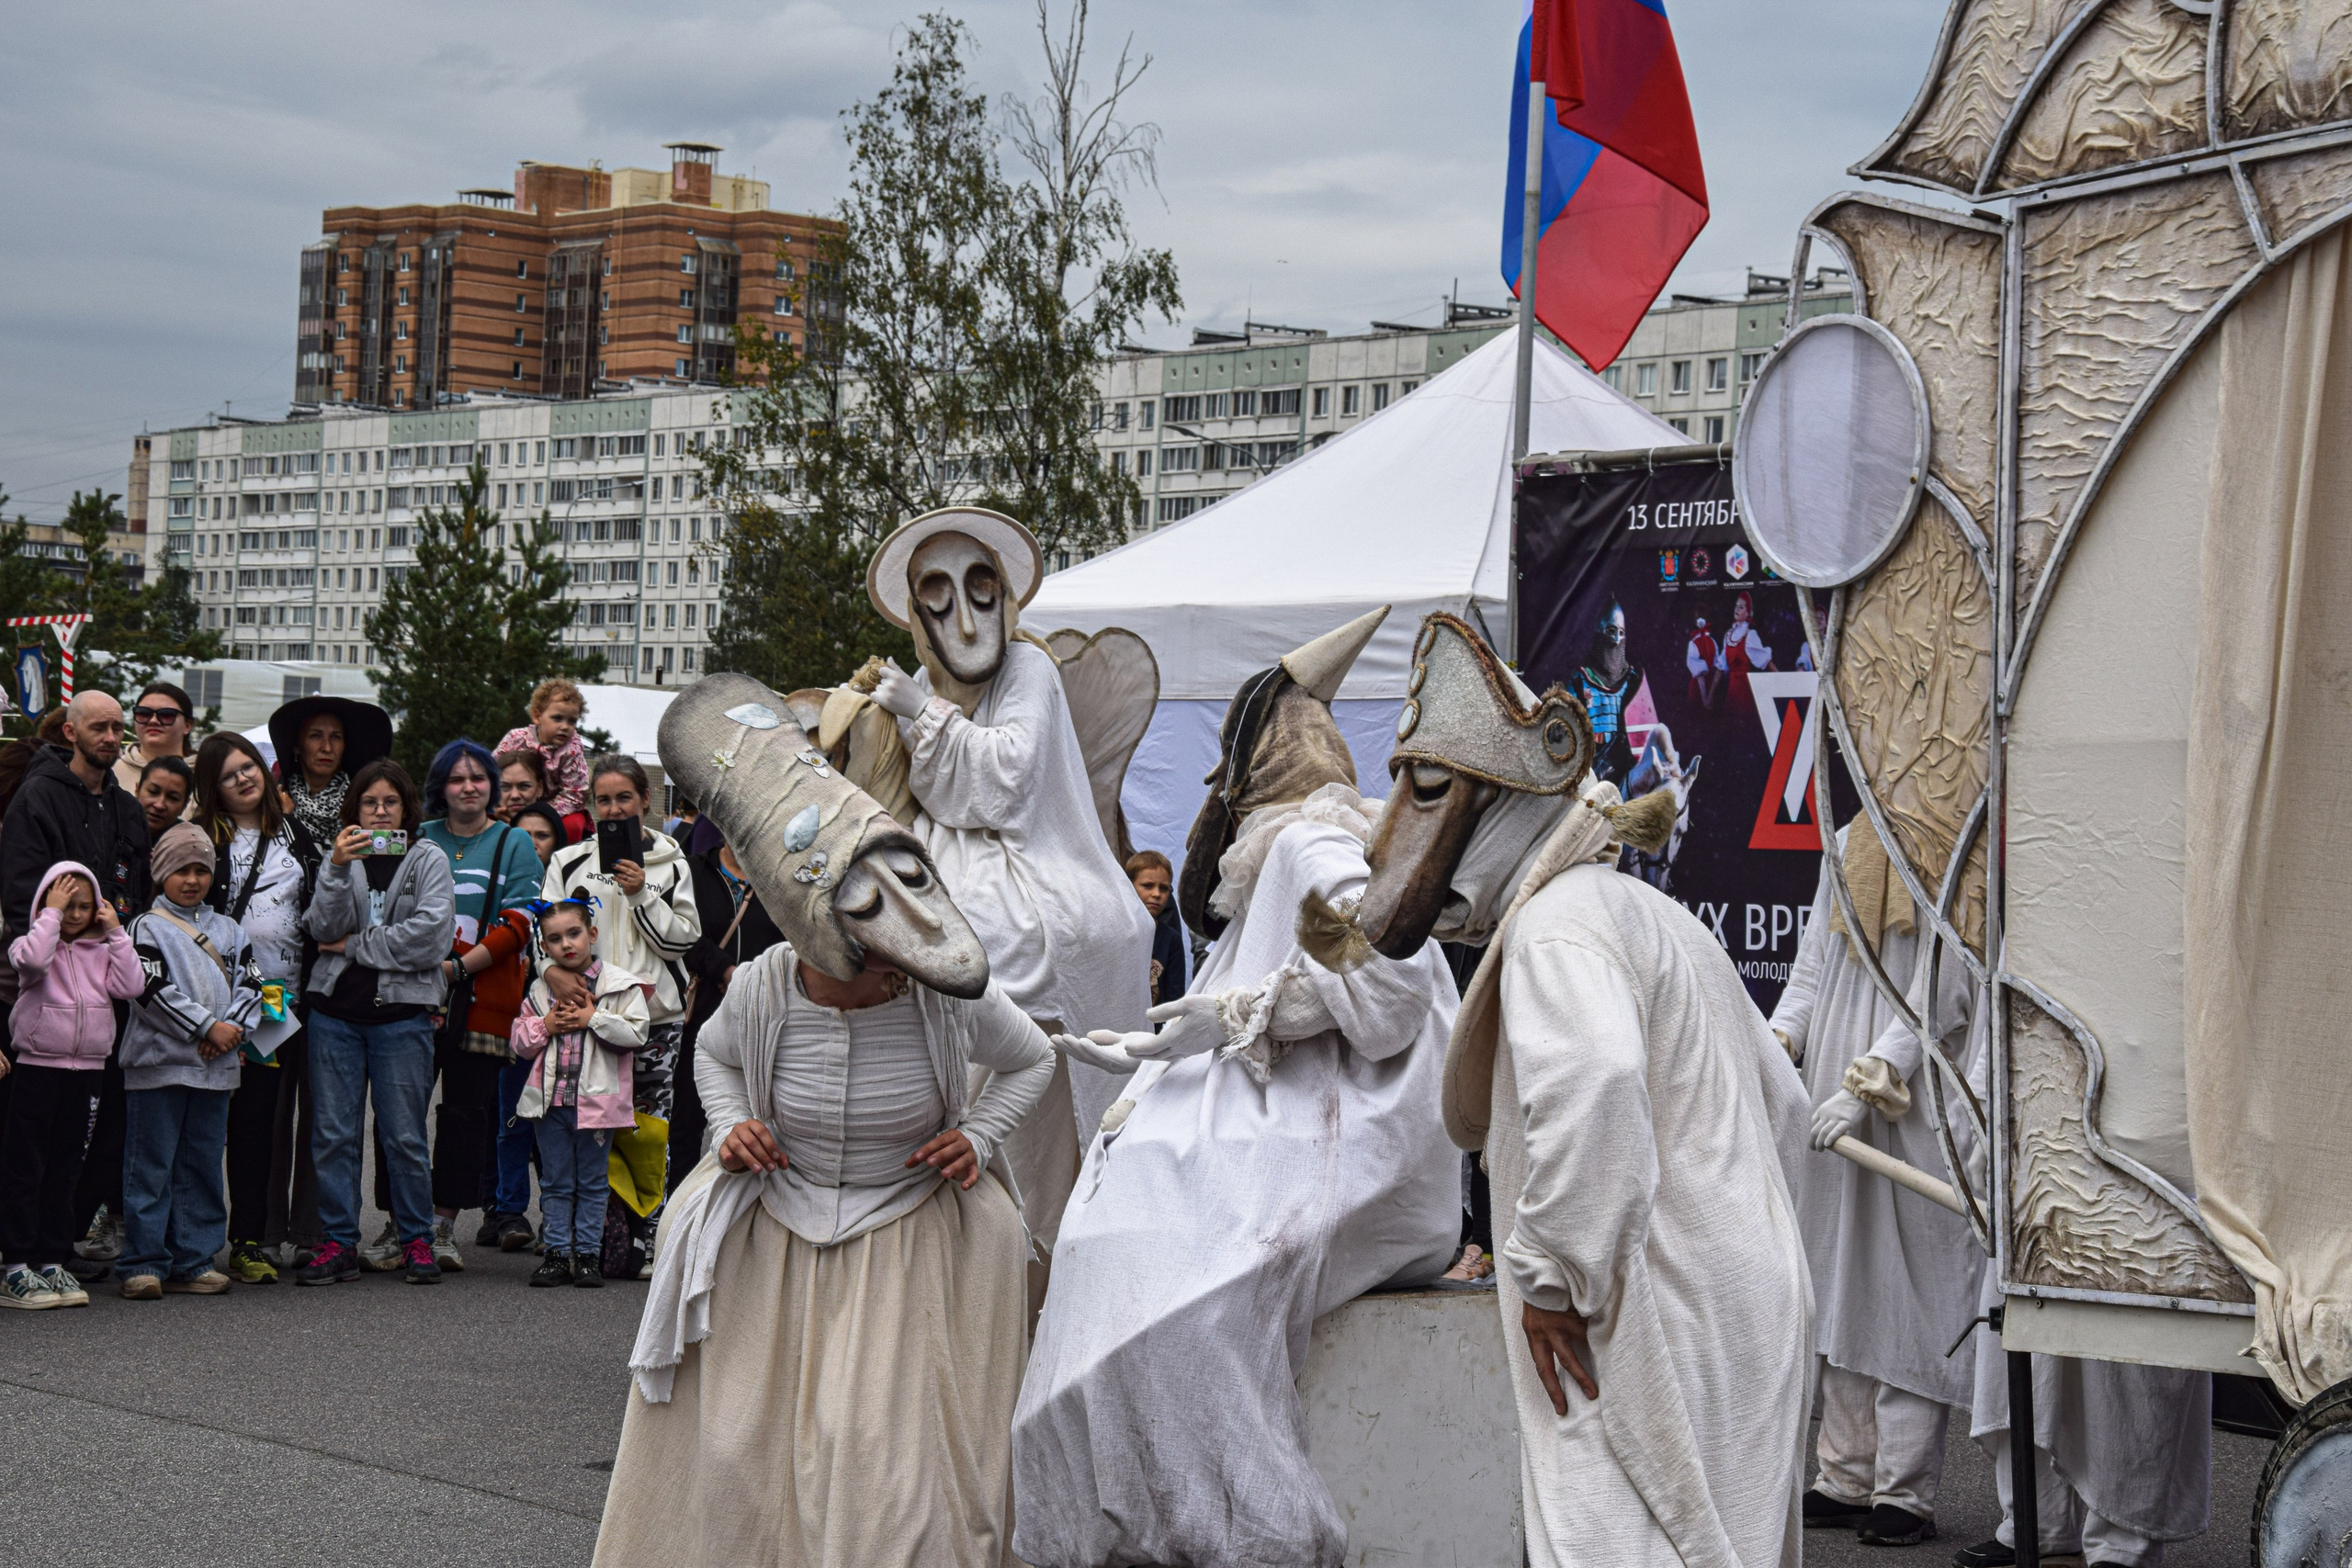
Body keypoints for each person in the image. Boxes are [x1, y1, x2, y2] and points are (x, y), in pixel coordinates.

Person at [1351, 613, 1814, 1568]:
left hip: (1649, 1311)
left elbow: (1597, 1078)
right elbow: (1784, 1105)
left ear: (1500, 803)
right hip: (1735, 1301)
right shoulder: (1645, 912)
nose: (1382, 838)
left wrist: (1556, 1277)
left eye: (1427, 791)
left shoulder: (1558, 927)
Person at [1013, 608, 1465, 1568]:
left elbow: (1382, 997)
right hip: (1286, 1125)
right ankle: (1145, 1509)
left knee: (1174, 1281)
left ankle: (1237, 1528)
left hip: (1343, 1141)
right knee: (1123, 1243)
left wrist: (1240, 1018)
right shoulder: (1276, 869)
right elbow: (1245, 1003)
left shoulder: (1311, 850)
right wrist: (1148, 1048)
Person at [597, 672, 1054, 1566]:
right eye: (868, 953)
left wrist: (980, 1134)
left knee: (889, 1470)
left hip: (909, 1235)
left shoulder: (937, 990)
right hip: (778, 1230)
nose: (890, 967)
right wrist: (730, 1126)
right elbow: (716, 1059)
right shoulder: (768, 986)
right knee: (742, 1452)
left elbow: (1032, 1056)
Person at [865, 507, 1153, 1269]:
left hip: (1049, 913)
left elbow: (1005, 782)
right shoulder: (925, 682)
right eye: (938, 588)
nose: (963, 609)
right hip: (955, 910)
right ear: (918, 609)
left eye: (980, 580)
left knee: (1045, 1175)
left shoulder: (1029, 669)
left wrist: (918, 713)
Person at [1770, 818, 1982, 1546]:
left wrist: (1868, 1083)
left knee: (1907, 1286)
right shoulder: (1848, 835)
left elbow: (1947, 989)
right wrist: (1781, 1041)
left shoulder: (1954, 839)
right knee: (1841, 1279)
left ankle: (1905, 1488)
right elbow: (1811, 965)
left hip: (1908, 1098)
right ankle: (1846, 1472)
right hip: (1837, 1092)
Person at [2, 692, 153, 1271]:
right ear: (70, 732)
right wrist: (51, 949)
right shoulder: (38, 797)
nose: (112, 738)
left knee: (85, 1143)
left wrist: (113, 941)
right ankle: (20, 1254)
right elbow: (20, 897)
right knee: (29, 1148)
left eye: (119, 728)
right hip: (42, 993)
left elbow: (136, 892)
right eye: (100, 728)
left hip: (101, 1000)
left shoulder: (125, 806)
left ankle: (57, 1247)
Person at [297, 760, 455, 1288]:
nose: (381, 812)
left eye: (390, 802)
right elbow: (320, 927)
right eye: (370, 803)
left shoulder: (428, 858)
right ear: (356, 810)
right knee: (333, 1135)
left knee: (404, 1136)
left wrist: (353, 947)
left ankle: (415, 1237)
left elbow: (431, 939)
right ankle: (339, 1242)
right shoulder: (339, 858)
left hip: (402, 1018)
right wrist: (338, 868)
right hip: (334, 1015)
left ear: (407, 807)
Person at [543, 754, 698, 1273]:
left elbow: (681, 943)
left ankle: (652, 1237)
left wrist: (639, 895)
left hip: (655, 1021)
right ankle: (598, 1242)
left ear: (645, 801)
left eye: (623, 799)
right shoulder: (567, 864)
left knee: (649, 1132)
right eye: (603, 800)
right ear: (590, 804)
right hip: (588, 1021)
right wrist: (550, 974)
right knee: (590, 1131)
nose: (613, 809)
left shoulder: (673, 865)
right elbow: (543, 940)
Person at [192, 734, 324, 1287]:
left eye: (249, 768)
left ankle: (264, 1239)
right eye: (229, 775)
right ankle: (218, 1242)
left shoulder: (297, 834)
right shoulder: (202, 837)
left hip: (291, 999)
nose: (244, 779)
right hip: (230, 1002)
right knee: (223, 1125)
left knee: (274, 1124)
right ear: (213, 789)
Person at [118, 821, 265, 1300]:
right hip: (157, 1065)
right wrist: (206, 1028)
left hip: (216, 1069)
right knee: (151, 1164)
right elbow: (146, 989)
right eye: (182, 869)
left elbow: (254, 986)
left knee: (201, 1163)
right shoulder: (144, 927)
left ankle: (194, 1257)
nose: (192, 879)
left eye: (202, 869)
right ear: (162, 872)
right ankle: (143, 1261)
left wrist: (229, 1032)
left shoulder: (231, 929)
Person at [413, 739, 545, 1265]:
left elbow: (521, 920)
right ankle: (403, 1223)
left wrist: (456, 966)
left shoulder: (513, 841)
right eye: (456, 778)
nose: (469, 787)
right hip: (413, 996)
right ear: (439, 788)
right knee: (402, 1118)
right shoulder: (418, 838)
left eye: (478, 777)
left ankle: (443, 1226)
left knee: (466, 1116)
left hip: (481, 998)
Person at [0, 863, 141, 1309]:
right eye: (66, 904)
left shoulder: (101, 951)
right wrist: (51, 916)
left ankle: (49, 1259)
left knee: (65, 1169)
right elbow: (32, 962)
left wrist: (116, 933)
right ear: (45, 904)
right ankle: (16, 1266)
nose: (76, 914)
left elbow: (132, 984)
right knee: (27, 1167)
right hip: (38, 1069)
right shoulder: (30, 942)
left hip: (88, 1072)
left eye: (84, 906)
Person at [511, 897, 648, 1288]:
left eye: (574, 934)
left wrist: (594, 1018)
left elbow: (637, 1033)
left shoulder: (619, 985)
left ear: (592, 934)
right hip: (550, 1104)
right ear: (544, 946)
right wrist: (547, 1026)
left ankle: (588, 1255)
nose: (566, 944)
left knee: (592, 1182)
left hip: (597, 1107)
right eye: (554, 939)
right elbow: (519, 1041)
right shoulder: (539, 991)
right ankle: (557, 1252)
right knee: (555, 1181)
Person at [672, 819, 784, 1203]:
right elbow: (679, 932)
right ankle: (678, 1211)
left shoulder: (780, 879)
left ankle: (752, 1212)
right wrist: (724, 970)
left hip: (764, 1015)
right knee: (685, 1120)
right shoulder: (691, 870)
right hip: (700, 1010)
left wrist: (752, 979)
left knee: (760, 1119)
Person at [267, 694, 392, 854]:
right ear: (297, 746)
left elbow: (393, 850)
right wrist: (281, 820)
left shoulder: (364, 803)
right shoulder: (274, 804)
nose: (327, 747)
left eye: (336, 737)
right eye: (315, 736)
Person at [498, 678, 591, 829]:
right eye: (557, 718)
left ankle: (563, 852)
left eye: (572, 721)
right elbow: (491, 769)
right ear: (537, 716)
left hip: (558, 810)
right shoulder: (516, 738)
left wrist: (540, 813)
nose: (565, 726)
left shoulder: (571, 750)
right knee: (488, 817)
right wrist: (497, 803)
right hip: (515, 799)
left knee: (573, 825)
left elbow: (575, 794)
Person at [111, 682, 197, 799]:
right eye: (143, 713)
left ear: (187, 725)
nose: (153, 721)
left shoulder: (207, 777)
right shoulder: (110, 774)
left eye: (167, 715)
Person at [1123, 849, 1184, 1006]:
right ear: (1128, 886)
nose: (1156, 894)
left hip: (1153, 1028)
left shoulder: (1171, 940)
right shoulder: (1116, 934)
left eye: (1163, 888)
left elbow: (1174, 998)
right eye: (1148, 886)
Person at [136, 756, 191, 839]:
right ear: (137, 790)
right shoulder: (113, 827)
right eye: (153, 792)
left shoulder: (188, 844)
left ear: (184, 805)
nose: (159, 805)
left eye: (173, 798)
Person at [493, 748, 548, 823]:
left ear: (540, 788)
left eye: (524, 786)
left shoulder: (562, 831)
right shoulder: (479, 829)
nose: (515, 796)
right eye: (505, 787)